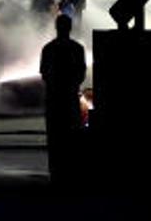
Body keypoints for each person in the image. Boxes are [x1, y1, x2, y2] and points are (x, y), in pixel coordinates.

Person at [39, 13, 87, 186]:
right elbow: (81, 74)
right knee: (71, 137)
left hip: (53, 99)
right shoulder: (78, 49)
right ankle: (70, 174)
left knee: (54, 138)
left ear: (56, 27)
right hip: (70, 99)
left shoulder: (48, 48)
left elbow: (44, 73)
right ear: (70, 28)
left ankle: (55, 174)